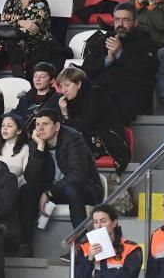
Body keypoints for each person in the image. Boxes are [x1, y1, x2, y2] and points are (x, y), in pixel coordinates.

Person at [18, 108, 104, 255]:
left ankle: (81, 245)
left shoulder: (73, 138)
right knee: (27, 189)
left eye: (45, 124)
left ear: (57, 126)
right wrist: (39, 148)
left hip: (87, 188)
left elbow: (78, 175)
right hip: (56, 189)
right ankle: (24, 244)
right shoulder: (36, 141)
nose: (40, 128)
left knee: (72, 189)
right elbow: (31, 177)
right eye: (37, 124)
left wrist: (49, 192)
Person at [82, 2, 159, 123]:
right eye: (117, 19)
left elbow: (146, 71)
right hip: (102, 90)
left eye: (126, 20)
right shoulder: (104, 39)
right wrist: (108, 59)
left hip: (130, 93)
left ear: (135, 22)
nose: (120, 24)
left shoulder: (146, 42)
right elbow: (86, 68)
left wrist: (120, 53)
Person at [0, 0, 53, 79]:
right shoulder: (11, 2)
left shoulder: (40, 3)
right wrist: (21, 21)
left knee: (12, 38)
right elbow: (3, 21)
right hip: (15, 43)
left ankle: (21, 76)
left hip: (36, 44)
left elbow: (31, 28)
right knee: (9, 40)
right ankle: (17, 72)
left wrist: (14, 22)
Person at [74, 204, 143, 278]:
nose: (99, 226)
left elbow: (128, 275)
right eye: (95, 222)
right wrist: (89, 259)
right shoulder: (84, 248)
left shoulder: (131, 248)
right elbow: (78, 276)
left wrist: (95, 274)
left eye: (103, 221)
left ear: (114, 223)